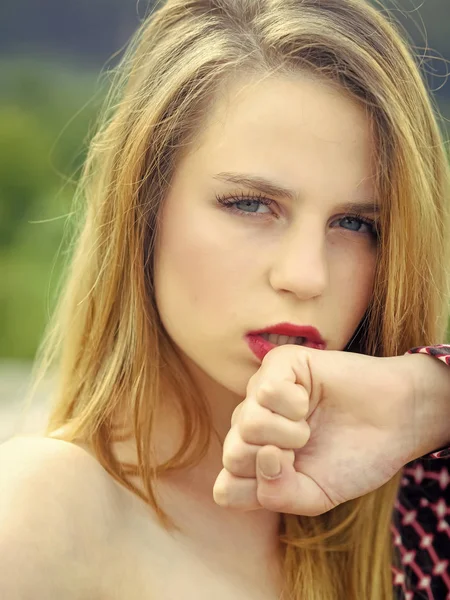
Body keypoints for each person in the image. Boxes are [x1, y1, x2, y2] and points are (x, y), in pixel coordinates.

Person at [0, 0, 449, 599]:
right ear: (143, 211)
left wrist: (428, 398)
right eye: (250, 204)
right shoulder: (47, 512)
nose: (306, 275)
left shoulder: (418, 501)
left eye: (356, 225)